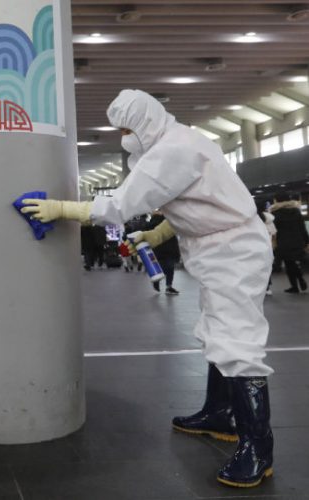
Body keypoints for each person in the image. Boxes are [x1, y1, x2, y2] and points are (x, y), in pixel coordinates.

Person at [21, 89, 274, 488]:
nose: (124, 137)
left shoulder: (173, 150)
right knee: (217, 332)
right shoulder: (180, 141)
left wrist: (61, 209)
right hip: (221, 248)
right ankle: (220, 414)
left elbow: (118, 206)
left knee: (236, 342)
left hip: (234, 252)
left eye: (127, 129)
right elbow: (199, 201)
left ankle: (258, 449)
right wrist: (158, 235)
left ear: (146, 122)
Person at [270, 192, 308, 294]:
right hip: (297, 241)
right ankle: (299, 281)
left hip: (283, 243)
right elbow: (302, 227)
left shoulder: (275, 213)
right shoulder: (296, 211)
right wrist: (306, 241)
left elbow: (274, 230)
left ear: (277, 200)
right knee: (292, 263)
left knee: (289, 264)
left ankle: (295, 286)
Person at [148, 210, 180, 295]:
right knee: (169, 268)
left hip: (158, 249)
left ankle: (158, 281)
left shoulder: (151, 223)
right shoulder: (168, 221)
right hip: (169, 248)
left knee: (164, 267)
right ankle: (168, 286)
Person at [256, 200, 277, 296]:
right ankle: (267, 287)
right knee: (266, 268)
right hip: (267, 247)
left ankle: (257, 287)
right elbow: (274, 233)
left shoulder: (252, 218)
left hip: (254, 247)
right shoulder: (269, 219)